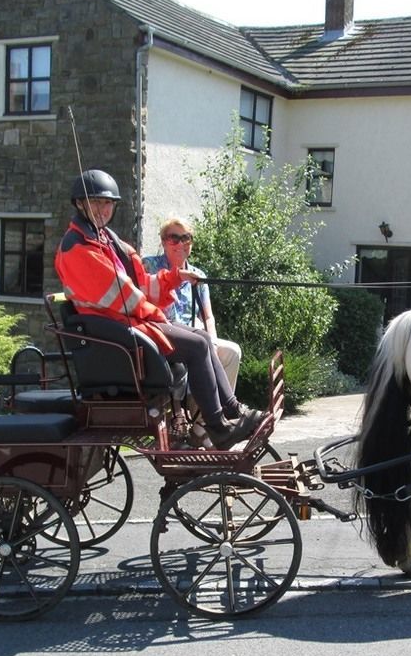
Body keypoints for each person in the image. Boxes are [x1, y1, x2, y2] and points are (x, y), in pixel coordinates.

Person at [54, 169, 264, 450]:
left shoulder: (103, 240)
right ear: (80, 203)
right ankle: (218, 427)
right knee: (197, 346)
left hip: (125, 323)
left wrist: (175, 277)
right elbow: (126, 299)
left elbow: (140, 284)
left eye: (108, 204)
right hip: (116, 333)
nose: (103, 209)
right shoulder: (79, 248)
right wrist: (160, 316)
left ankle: (232, 410)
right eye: (96, 203)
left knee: (201, 339)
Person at [142, 217, 241, 389]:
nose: (180, 244)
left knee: (232, 352)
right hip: (163, 337)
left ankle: (205, 412)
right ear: (164, 242)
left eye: (185, 238)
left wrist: (214, 341)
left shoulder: (198, 275)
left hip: (196, 336)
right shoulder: (149, 266)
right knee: (199, 348)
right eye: (174, 238)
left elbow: (207, 316)